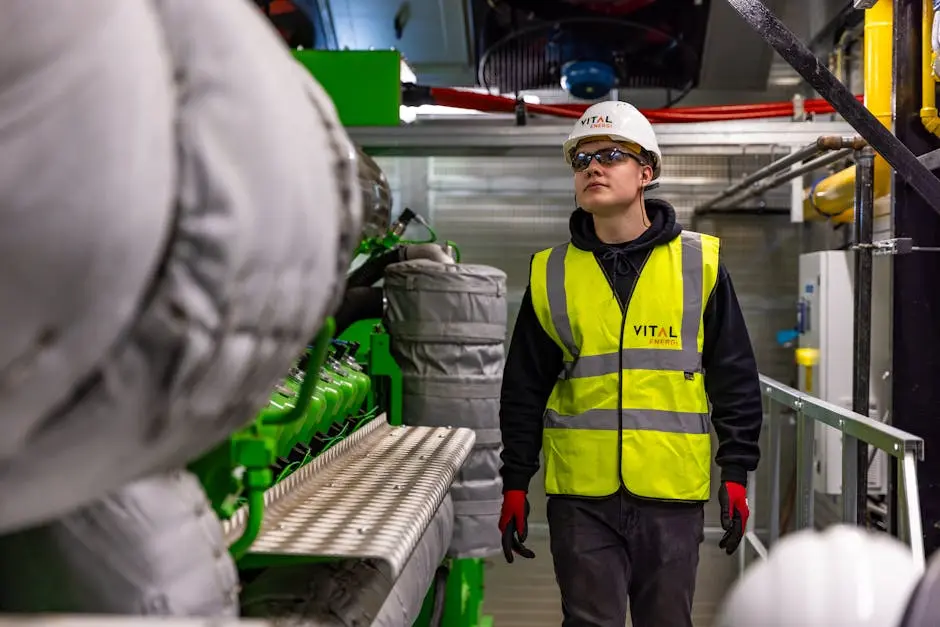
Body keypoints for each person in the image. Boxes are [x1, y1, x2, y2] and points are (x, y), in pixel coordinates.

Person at [497, 100, 764, 627]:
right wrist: (514, 479)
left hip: (669, 494)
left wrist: (736, 470)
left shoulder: (698, 264)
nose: (593, 167)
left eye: (611, 155)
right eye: (582, 161)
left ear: (646, 173)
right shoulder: (552, 274)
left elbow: (734, 375)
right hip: (581, 498)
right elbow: (523, 388)